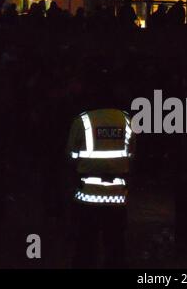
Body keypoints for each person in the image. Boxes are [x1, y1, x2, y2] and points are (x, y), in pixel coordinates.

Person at [66, 72, 135, 268]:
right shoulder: (127, 121)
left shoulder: (82, 121)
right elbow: (131, 157)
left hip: (87, 196)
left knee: (85, 246)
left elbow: (70, 157)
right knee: (115, 247)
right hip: (117, 196)